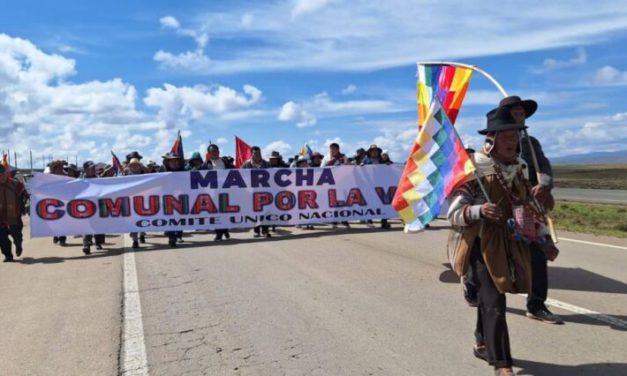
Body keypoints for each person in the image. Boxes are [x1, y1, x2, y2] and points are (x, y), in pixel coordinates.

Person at [447, 108, 533, 376]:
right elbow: (453, 214)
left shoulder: (520, 167)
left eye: (516, 136)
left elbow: (524, 204)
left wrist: (540, 235)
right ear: (492, 138)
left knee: (492, 297)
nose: (513, 142)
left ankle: (482, 340)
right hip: (480, 244)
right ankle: (501, 363)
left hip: (510, 241)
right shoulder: (473, 168)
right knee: (495, 302)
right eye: (507, 136)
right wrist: (479, 211)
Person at [496, 95, 561, 324]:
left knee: (537, 253)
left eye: (522, 112)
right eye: (515, 111)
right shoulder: (493, 141)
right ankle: (475, 288)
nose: (520, 114)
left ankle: (536, 304)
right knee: (491, 253)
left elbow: (543, 166)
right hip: (499, 206)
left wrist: (544, 184)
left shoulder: (531, 143)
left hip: (527, 208)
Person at [241, 146, 272, 238]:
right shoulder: (246, 165)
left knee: (266, 212)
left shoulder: (267, 164)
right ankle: (257, 230)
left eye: (259, 153)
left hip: (265, 191)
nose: (258, 155)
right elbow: (240, 176)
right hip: (252, 193)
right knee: (255, 212)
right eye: (255, 153)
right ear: (251, 154)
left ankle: (265, 230)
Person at [205, 144, 233, 241]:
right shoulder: (206, 164)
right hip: (212, 193)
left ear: (219, 151)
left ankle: (224, 230)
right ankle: (219, 233)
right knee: (215, 213)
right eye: (212, 151)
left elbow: (235, 172)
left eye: (216, 150)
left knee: (225, 212)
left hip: (225, 192)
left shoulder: (225, 162)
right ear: (209, 153)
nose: (214, 153)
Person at [0, 164, 27, 262]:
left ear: (6, 174)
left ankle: (18, 244)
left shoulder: (16, 184)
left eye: (2, 174)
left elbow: (25, 195)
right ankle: (8, 255)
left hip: (14, 214)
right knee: (2, 237)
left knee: (16, 235)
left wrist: (23, 206)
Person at [361, 144, 391, 229]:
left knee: (383, 202)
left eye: (376, 151)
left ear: (378, 152)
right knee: (369, 202)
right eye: (372, 151)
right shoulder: (366, 160)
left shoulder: (382, 161)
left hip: (381, 184)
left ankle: (384, 221)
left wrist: (388, 164)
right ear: (370, 152)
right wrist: (361, 166)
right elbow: (360, 169)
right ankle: (369, 220)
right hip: (369, 185)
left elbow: (389, 169)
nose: (374, 152)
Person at [162, 152, 186, 247]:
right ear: (168, 163)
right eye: (172, 161)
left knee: (180, 218)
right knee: (170, 219)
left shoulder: (184, 173)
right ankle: (172, 237)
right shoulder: (162, 173)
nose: (174, 163)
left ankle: (178, 235)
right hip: (168, 200)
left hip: (182, 199)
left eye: (176, 161)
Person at [81, 161, 105, 254]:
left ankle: (98, 242)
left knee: (99, 225)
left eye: (93, 167)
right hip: (86, 206)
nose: (92, 169)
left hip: (99, 204)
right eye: (90, 168)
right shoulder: (80, 180)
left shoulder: (100, 179)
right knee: (87, 226)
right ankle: (86, 244)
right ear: (85, 170)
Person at [126, 158, 145, 248]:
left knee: (142, 220)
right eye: (132, 165)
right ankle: (135, 240)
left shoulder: (145, 175)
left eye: (136, 165)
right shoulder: (125, 176)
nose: (134, 167)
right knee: (133, 222)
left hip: (143, 201)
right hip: (131, 202)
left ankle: (142, 234)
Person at [48, 160, 68, 246]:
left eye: (61, 167)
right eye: (58, 167)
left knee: (63, 221)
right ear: (54, 169)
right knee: (55, 221)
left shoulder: (65, 177)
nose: (60, 169)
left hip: (63, 202)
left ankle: (62, 239)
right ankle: (56, 235)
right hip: (52, 203)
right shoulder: (48, 178)